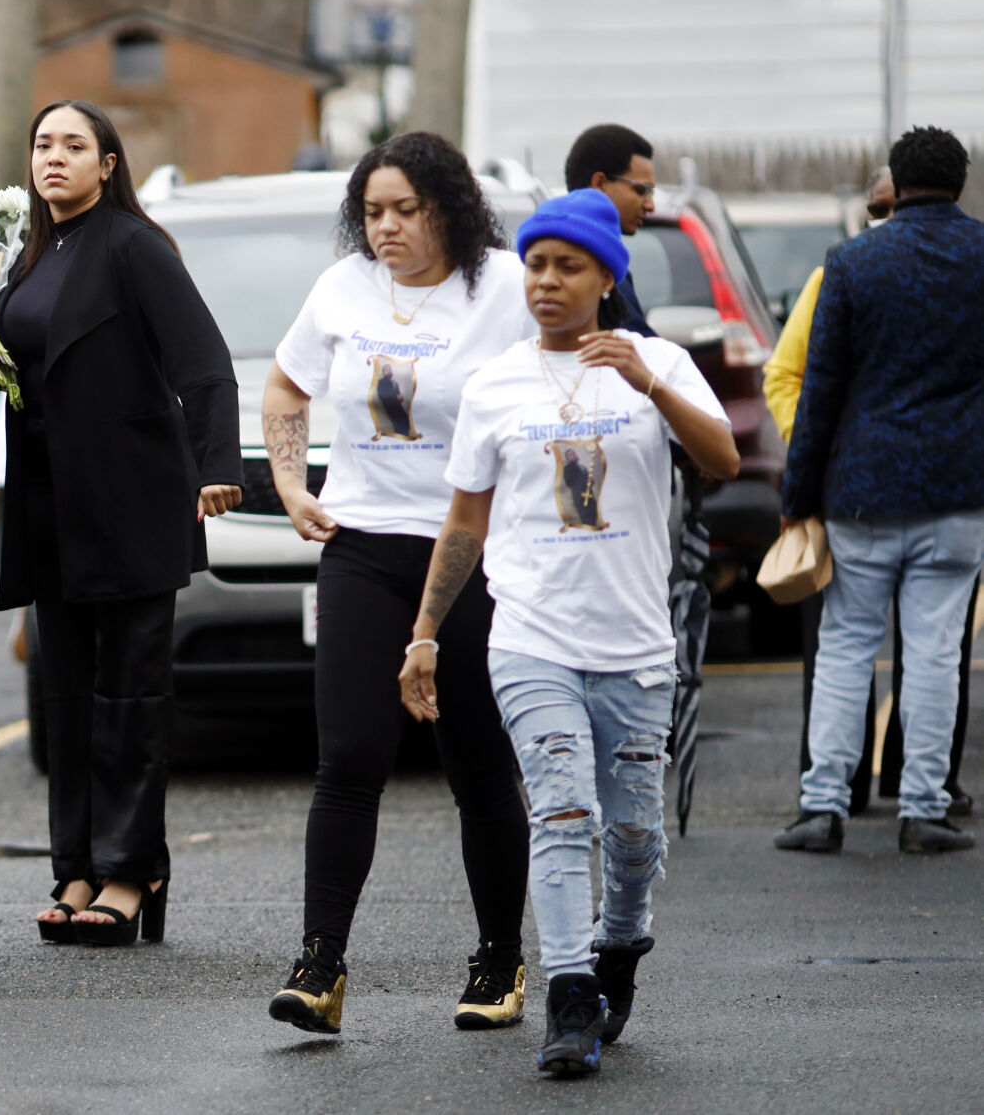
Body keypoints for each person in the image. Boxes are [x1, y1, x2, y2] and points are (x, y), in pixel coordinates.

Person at [401, 189, 738, 1075]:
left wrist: (649, 384)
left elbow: (723, 459)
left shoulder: (655, 361)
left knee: (631, 834)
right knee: (557, 811)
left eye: (568, 267)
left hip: (632, 644)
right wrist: (426, 630)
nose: (546, 281)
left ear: (604, 277)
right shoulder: (493, 384)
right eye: (536, 264)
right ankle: (568, 992)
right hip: (530, 637)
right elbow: (464, 521)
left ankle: (621, 940)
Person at [0, 100, 242, 946]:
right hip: (51, 508)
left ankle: (129, 872)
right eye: (42, 144)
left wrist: (218, 467)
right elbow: (10, 378)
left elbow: (205, 366)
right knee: (66, 696)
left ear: (107, 164)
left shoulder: (135, 246)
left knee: (131, 696)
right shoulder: (28, 258)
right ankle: (74, 868)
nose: (55, 158)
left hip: (134, 502)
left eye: (75, 145)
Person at [261, 133, 533, 1038]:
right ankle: (319, 966)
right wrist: (296, 483)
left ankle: (499, 962)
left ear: (446, 208)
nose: (385, 228)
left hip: (472, 556)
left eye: (403, 210)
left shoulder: (502, 286)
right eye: (372, 211)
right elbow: (286, 386)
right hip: (362, 549)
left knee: (477, 766)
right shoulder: (342, 288)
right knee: (348, 760)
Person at [774, 126, 984, 856]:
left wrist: (797, 495)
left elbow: (820, 389)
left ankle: (821, 806)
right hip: (958, 492)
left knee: (844, 646)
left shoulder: (851, 263)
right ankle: (923, 808)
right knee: (932, 653)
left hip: (860, 490)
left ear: (894, 181)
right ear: (959, 181)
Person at [564, 124, 657, 337]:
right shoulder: (595, 266)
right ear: (600, 183)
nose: (651, 205)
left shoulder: (609, 263)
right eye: (641, 190)